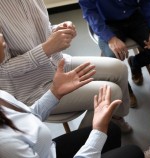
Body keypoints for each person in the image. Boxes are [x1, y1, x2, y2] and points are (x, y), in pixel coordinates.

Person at [0, 33, 144, 158]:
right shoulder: (4, 144)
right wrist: (98, 130)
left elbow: (28, 116)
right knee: (134, 152)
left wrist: (55, 92)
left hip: (47, 150)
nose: (2, 36)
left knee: (112, 130)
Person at [0, 0, 132, 133]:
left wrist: (59, 29)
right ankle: (83, 143)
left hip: (58, 64)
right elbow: (3, 69)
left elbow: (44, 30)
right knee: (113, 93)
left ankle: (113, 117)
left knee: (120, 69)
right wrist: (46, 49)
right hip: (32, 89)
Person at [78, 0, 150, 108]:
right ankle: (126, 89)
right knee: (112, 59)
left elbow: (146, 1)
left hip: (134, 15)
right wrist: (110, 38)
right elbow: (90, 12)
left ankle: (134, 63)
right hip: (107, 23)